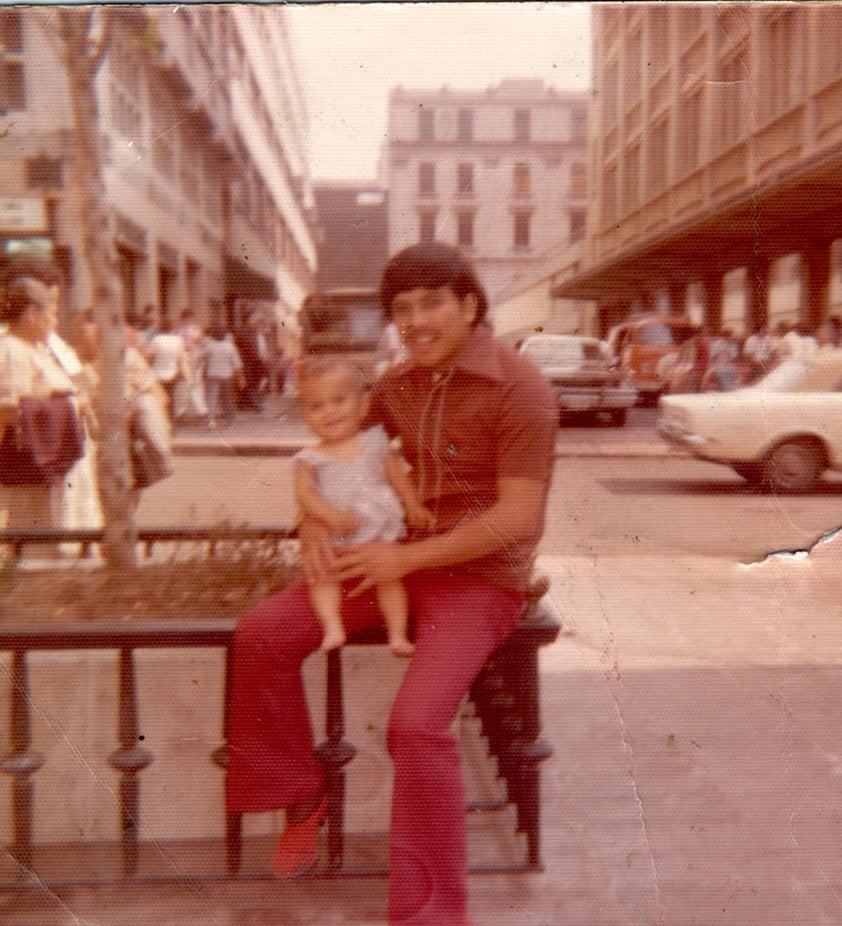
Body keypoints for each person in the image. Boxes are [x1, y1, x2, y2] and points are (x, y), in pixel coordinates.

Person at [225, 242, 557, 925]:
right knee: (261, 634)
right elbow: (331, 464)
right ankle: (302, 792)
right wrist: (310, 526)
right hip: (391, 564)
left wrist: (406, 561)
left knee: (416, 726)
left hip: (477, 582)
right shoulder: (398, 387)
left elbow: (520, 517)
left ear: (470, 306)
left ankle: (430, 914)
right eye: (402, 309)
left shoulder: (522, 386)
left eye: (432, 302)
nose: (415, 320)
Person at [294, 356, 435, 655]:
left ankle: (397, 636)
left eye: (338, 401)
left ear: (363, 406)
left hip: (378, 529)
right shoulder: (310, 457)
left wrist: (412, 504)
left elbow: (396, 476)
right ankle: (332, 626)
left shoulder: (374, 442)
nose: (328, 412)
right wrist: (326, 515)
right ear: (304, 415)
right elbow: (305, 496)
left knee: (391, 580)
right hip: (338, 532)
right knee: (322, 576)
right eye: (315, 407)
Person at [0, 258, 96, 544]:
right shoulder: (12, 351)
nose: (56, 321)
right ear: (31, 313)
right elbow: (11, 409)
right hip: (31, 472)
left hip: (57, 467)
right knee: (37, 549)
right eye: (52, 312)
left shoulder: (39, 346)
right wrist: (70, 406)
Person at [202, 323, 244, 428]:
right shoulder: (230, 346)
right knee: (227, 398)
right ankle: (228, 420)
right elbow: (237, 364)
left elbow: (201, 358)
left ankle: (210, 420)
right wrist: (241, 378)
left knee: (211, 397)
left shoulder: (209, 346)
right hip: (227, 376)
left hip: (212, 374)